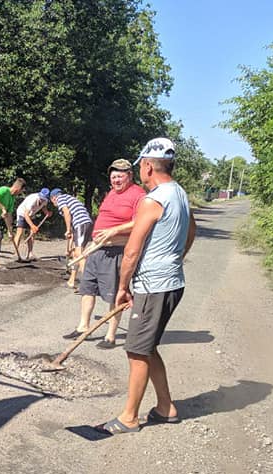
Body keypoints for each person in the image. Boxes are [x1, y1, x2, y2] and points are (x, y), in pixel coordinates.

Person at [100, 137, 196, 434]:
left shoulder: (152, 199)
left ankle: (129, 417)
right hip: (170, 282)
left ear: (146, 166)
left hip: (154, 285)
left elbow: (132, 249)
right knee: (148, 345)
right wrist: (176, 258)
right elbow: (192, 230)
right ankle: (166, 407)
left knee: (137, 350)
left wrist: (123, 287)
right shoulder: (179, 193)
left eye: (141, 165)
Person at [72, 158, 146, 348]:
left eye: (120, 176)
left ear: (129, 176)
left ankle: (110, 336)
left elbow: (141, 222)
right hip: (97, 249)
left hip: (116, 251)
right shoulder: (111, 193)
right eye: (113, 176)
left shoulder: (138, 194)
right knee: (87, 288)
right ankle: (83, 327)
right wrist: (91, 243)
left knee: (114, 295)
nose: (116, 180)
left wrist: (114, 231)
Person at [49, 188, 93, 286]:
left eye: (52, 201)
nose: (53, 204)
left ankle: (88, 283)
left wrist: (68, 229)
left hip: (81, 224)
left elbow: (66, 212)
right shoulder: (70, 199)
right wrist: (68, 248)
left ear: (53, 198)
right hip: (84, 224)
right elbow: (73, 233)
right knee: (75, 254)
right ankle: (71, 281)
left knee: (79, 254)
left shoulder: (61, 199)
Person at [12, 187, 53, 261]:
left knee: (32, 233)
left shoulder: (45, 201)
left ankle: (30, 253)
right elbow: (26, 215)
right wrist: (32, 226)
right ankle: (16, 253)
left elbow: (43, 206)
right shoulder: (32, 199)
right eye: (41, 198)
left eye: (44, 199)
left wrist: (46, 212)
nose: (42, 199)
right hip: (22, 213)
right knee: (20, 232)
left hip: (32, 214)